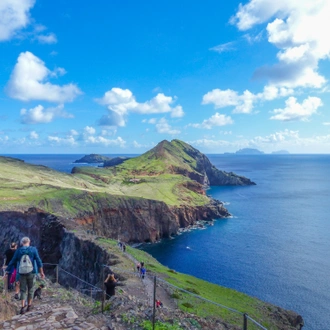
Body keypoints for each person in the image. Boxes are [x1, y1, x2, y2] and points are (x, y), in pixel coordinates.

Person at [5, 237, 45, 315]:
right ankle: (29, 306)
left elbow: (12, 261)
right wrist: (41, 272)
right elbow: (39, 261)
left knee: (23, 290)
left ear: (21, 243)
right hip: (32, 272)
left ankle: (23, 307)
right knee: (31, 289)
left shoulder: (18, 251)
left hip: (21, 273)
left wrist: (7, 271)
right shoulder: (33, 250)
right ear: (29, 242)